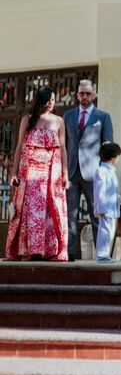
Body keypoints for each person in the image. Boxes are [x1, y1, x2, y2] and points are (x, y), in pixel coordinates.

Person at [5, 86, 69, 261]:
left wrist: (65, 174)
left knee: (51, 209)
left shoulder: (59, 121)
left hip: (52, 171)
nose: (51, 103)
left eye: (54, 100)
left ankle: (51, 250)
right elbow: (19, 147)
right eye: (48, 100)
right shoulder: (27, 120)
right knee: (31, 209)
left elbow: (63, 148)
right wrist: (14, 172)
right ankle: (31, 250)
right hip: (30, 171)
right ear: (40, 100)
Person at [64, 80, 113, 261]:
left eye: (88, 94)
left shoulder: (103, 117)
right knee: (70, 215)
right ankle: (69, 254)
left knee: (97, 215)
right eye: (82, 93)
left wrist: (105, 172)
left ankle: (101, 254)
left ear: (94, 95)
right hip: (71, 172)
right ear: (77, 95)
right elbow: (63, 145)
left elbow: (108, 146)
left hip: (94, 174)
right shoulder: (68, 116)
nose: (85, 97)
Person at [93, 142, 121, 263]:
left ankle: (105, 253)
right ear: (114, 157)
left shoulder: (110, 171)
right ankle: (102, 254)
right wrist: (102, 208)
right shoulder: (102, 171)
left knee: (109, 232)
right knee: (105, 232)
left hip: (111, 209)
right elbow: (100, 191)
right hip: (105, 209)